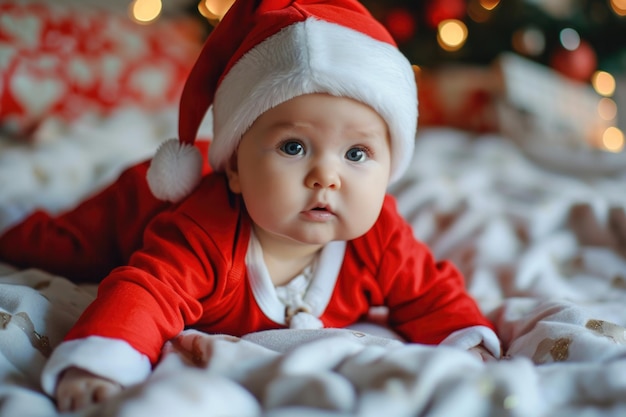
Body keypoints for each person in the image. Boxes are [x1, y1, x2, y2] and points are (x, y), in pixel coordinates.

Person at [0, 0, 501, 411]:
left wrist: (466, 340)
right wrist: (100, 360)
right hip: (135, 205)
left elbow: (432, 291)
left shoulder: (380, 237)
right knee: (59, 247)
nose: (326, 175)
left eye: (357, 154)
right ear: (235, 168)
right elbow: (146, 292)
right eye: (293, 146)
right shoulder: (204, 232)